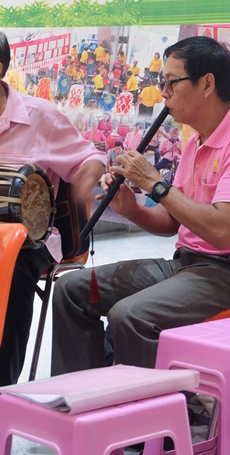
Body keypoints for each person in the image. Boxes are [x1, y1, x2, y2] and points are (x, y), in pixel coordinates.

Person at [51, 35, 230, 375]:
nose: (163, 93)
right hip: (187, 264)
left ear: (207, 84)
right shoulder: (195, 142)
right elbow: (171, 222)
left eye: (172, 82)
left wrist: (155, 184)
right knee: (71, 290)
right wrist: (132, 209)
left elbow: (221, 230)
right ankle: (85, 395)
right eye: (163, 83)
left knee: (130, 315)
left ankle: (146, 406)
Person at [0, 32, 106, 386]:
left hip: (29, 241)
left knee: (12, 273)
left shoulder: (39, 117)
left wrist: (83, 187)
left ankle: (3, 388)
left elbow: (90, 158)